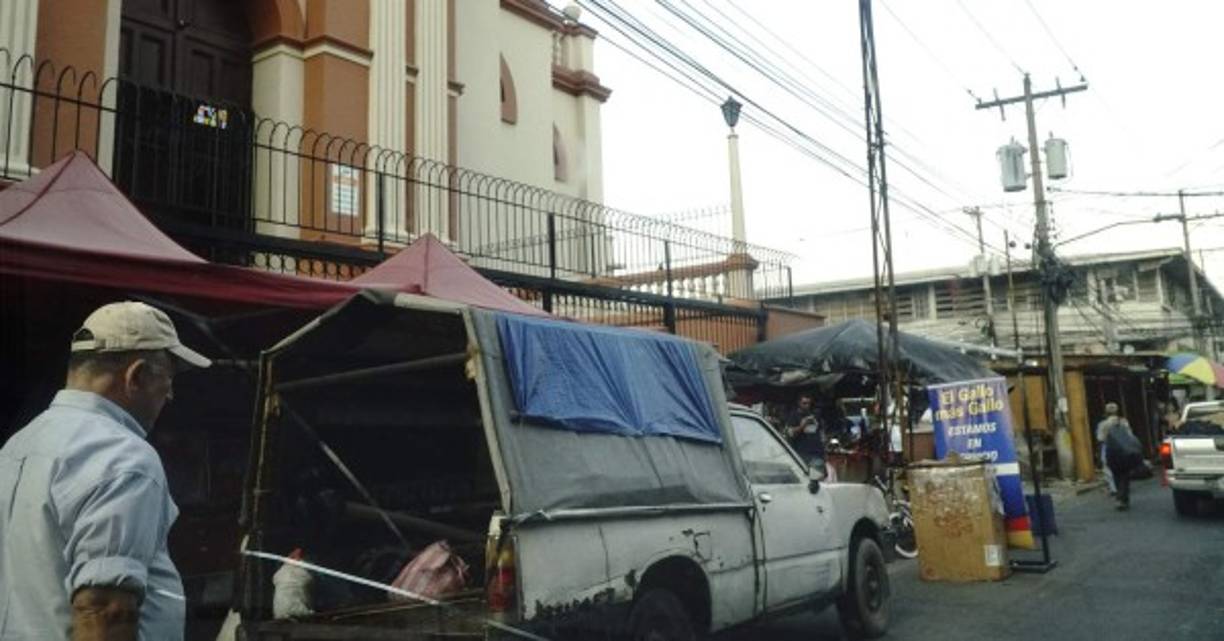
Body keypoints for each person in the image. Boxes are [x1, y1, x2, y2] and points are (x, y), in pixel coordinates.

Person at [0, 302, 211, 640]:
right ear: (137, 375)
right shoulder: (123, 456)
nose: (170, 395)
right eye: (168, 378)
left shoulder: (17, 446)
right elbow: (104, 610)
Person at [1096, 402, 1136, 510]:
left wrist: (1099, 455)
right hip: (1124, 451)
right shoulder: (1124, 422)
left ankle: (1118, 495)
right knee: (1125, 475)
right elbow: (1130, 436)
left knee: (1115, 474)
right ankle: (1123, 497)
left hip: (1110, 452)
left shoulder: (1103, 424)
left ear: (1106, 413)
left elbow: (1100, 440)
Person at [783, 393, 827, 473]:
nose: (807, 406)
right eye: (804, 403)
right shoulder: (793, 416)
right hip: (802, 454)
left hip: (817, 453)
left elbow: (821, 432)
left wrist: (824, 447)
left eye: (809, 403)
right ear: (799, 403)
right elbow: (790, 434)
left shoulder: (815, 415)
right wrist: (802, 426)